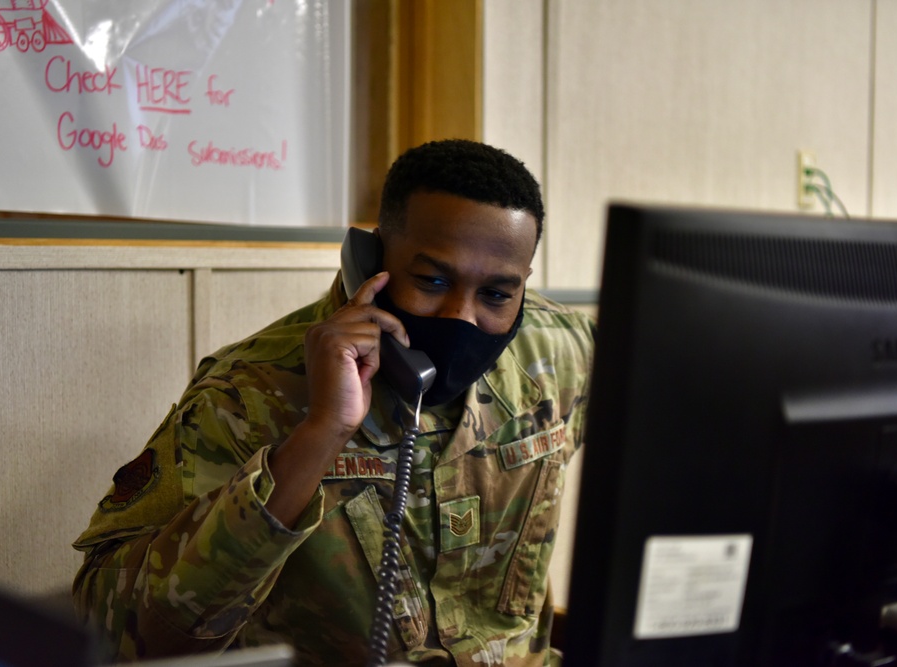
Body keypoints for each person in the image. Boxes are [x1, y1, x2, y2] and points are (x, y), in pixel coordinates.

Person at [72, 139, 596, 666]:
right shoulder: (247, 395)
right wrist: (321, 431)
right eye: (432, 280)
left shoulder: (559, 351)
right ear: (370, 260)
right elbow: (112, 632)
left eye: (497, 295)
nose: (462, 316)